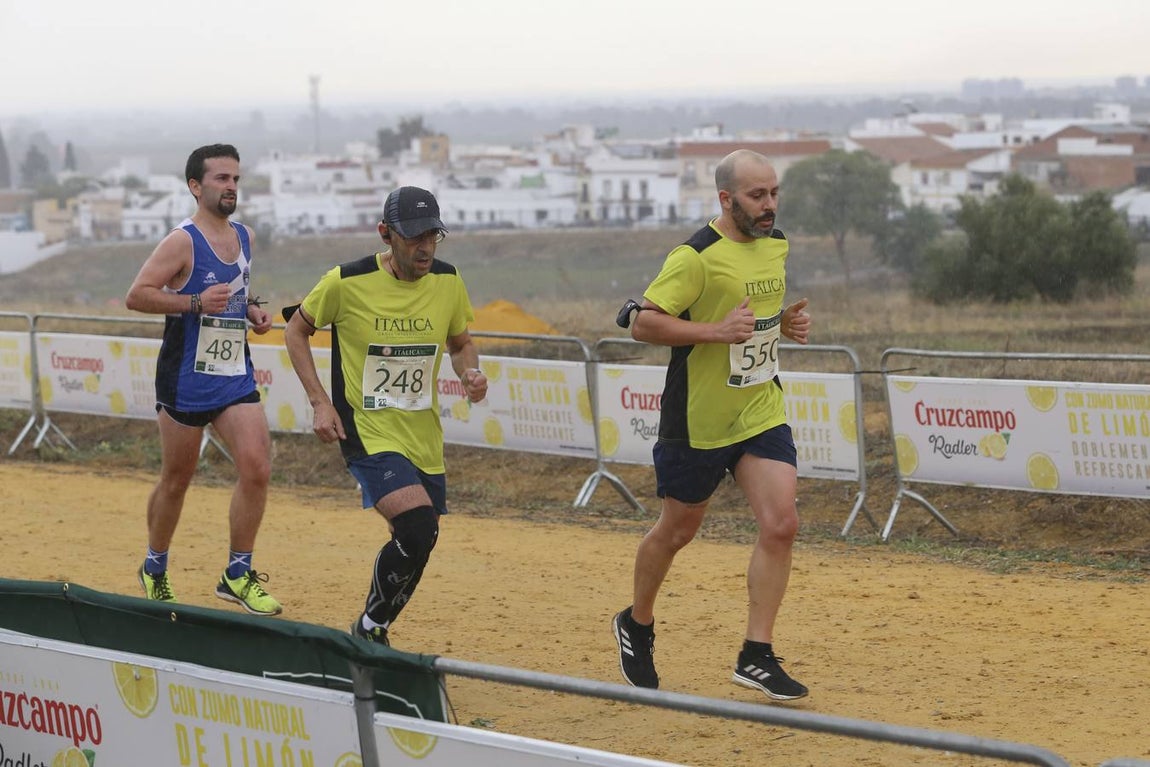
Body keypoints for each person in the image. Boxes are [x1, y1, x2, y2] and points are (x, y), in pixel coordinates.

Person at [612, 149, 812, 700]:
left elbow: (756, 316)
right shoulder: (695, 256)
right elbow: (644, 324)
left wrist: (783, 324)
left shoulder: (777, 243)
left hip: (758, 408)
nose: (769, 206)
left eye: (773, 193)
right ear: (726, 199)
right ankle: (637, 622)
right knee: (678, 530)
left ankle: (757, 654)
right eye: (757, 196)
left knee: (781, 524)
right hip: (697, 419)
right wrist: (715, 332)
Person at [283, 186, 487, 646]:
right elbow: (296, 331)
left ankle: (371, 629)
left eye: (433, 235)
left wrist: (471, 372)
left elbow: (460, 343)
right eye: (414, 236)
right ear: (385, 234)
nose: (425, 247)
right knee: (418, 526)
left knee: (420, 539)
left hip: (422, 433)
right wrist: (319, 401)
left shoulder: (449, 280)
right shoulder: (345, 281)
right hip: (366, 428)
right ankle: (372, 632)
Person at [125, 143, 282, 617]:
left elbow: (234, 289)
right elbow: (137, 296)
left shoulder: (245, 236)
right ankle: (154, 566)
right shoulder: (181, 241)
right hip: (186, 377)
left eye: (235, 178)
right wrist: (194, 303)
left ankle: (237, 572)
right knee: (177, 479)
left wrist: (251, 309)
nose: (231, 186)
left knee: (257, 466)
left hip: (233, 371)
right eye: (221, 179)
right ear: (196, 186)